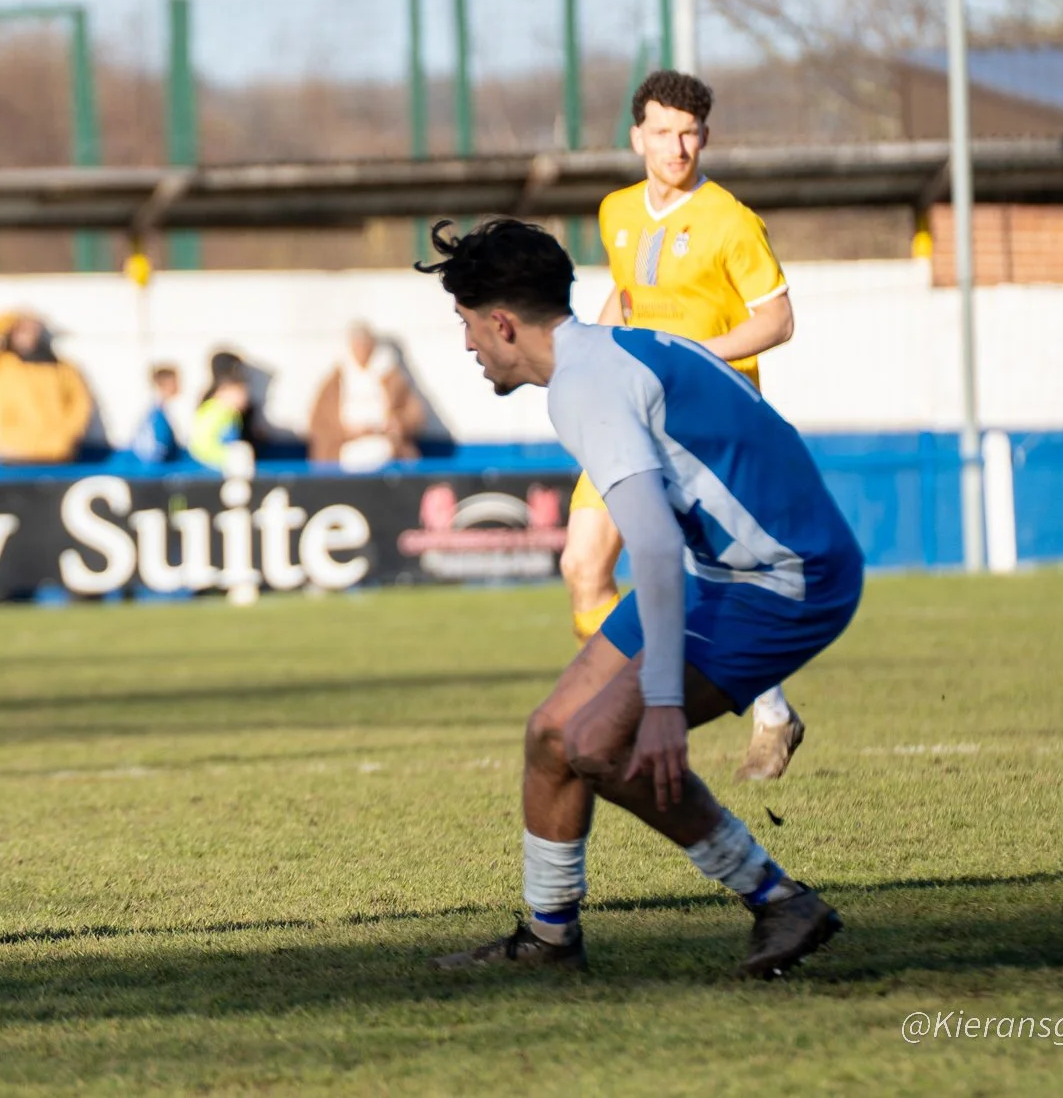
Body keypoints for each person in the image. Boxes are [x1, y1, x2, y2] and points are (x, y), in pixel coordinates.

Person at [418, 218, 860, 978]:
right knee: (552, 731)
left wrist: (659, 702)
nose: (467, 345)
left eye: (465, 325)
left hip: (785, 578)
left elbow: (651, 545)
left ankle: (777, 897)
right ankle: (550, 939)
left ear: (501, 322)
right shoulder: (624, 347)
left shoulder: (584, 386)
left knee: (599, 743)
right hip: (728, 566)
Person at [567, 70, 805, 782]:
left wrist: (696, 354)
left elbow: (778, 319)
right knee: (583, 568)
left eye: (691, 132)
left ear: (706, 136)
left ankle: (767, 709)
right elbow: (628, 296)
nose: (678, 146)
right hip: (628, 416)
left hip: (706, 423)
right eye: (665, 131)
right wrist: (589, 358)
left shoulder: (730, 220)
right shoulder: (616, 212)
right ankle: (643, 694)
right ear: (637, 134)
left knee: (709, 580)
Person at [0, 311, 94, 463]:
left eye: (31, 331)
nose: (27, 336)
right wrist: (13, 318)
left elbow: (81, 403)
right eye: (21, 331)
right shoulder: (6, 363)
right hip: (14, 451)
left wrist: (67, 435)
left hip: (55, 452)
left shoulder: (63, 368)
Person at [307, 321, 425, 470]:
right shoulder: (335, 381)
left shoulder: (390, 376)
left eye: (365, 345)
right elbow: (317, 423)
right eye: (357, 345)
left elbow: (415, 415)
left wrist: (396, 424)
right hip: (341, 452)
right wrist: (346, 431)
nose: (361, 350)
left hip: (386, 447)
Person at [189, 369, 250, 470]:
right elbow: (201, 444)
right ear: (224, 390)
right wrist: (229, 456)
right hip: (210, 468)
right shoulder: (214, 411)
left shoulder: (233, 414)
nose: (244, 398)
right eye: (240, 393)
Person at [129, 365, 183, 463]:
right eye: (175, 382)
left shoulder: (163, 409)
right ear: (166, 385)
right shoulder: (156, 414)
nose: (179, 386)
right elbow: (154, 449)